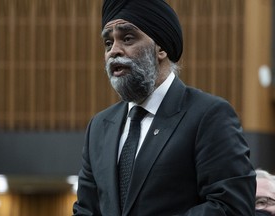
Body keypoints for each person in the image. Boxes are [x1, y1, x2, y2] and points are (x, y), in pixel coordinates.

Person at [73, 0, 256, 215]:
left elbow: (232, 207)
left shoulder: (209, 115)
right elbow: (86, 209)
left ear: (160, 48)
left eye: (128, 38)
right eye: (107, 43)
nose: (114, 51)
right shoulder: (99, 127)